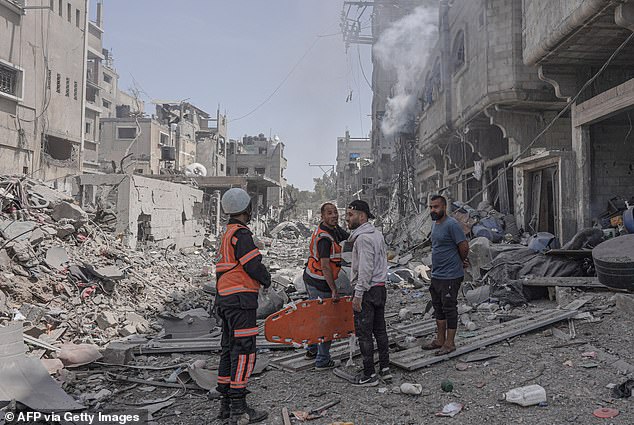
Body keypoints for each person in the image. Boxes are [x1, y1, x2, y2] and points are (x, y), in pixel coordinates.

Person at [213, 188, 270, 424]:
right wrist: (267, 279)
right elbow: (252, 265)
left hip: (225, 299)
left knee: (228, 348)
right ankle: (239, 407)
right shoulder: (242, 235)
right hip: (241, 300)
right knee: (245, 350)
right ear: (247, 209)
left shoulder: (226, 234)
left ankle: (225, 404)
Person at [346, 200, 391, 386]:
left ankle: (369, 374)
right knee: (380, 331)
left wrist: (358, 294)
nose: (347, 219)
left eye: (350, 215)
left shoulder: (363, 239)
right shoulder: (377, 234)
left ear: (362, 216)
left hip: (368, 290)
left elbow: (365, 268)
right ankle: (385, 369)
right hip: (380, 288)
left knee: (364, 334)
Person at [303, 202, 349, 369]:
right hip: (319, 281)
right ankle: (322, 360)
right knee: (326, 321)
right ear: (322, 217)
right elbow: (325, 266)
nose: (334, 215)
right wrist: (334, 289)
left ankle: (312, 350)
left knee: (316, 316)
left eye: (335, 212)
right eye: (329, 213)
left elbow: (348, 238)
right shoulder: (324, 238)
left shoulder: (332, 229)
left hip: (310, 277)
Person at [422, 194, 469, 356]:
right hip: (437, 274)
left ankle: (450, 343)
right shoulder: (435, 225)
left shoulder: (452, 225)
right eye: (431, 207)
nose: (433, 210)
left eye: (436, 207)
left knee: (449, 308)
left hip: (450, 275)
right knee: (438, 308)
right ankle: (440, 340)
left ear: (444, 207)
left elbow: (463, 246)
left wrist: (461, 260)